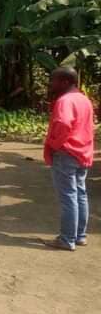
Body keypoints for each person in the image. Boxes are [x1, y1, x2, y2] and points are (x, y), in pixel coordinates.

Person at [43, 67, 95, 251]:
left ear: (65, 82)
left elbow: (64, 123)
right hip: (82, 152)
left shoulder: (64, 101)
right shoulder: (83, 99)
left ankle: (66, 239)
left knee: (68, 197)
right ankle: (80, 236)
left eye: (54, 80)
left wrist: (55, 144)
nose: (51, 84)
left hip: (66, 153)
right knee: (80, 194)